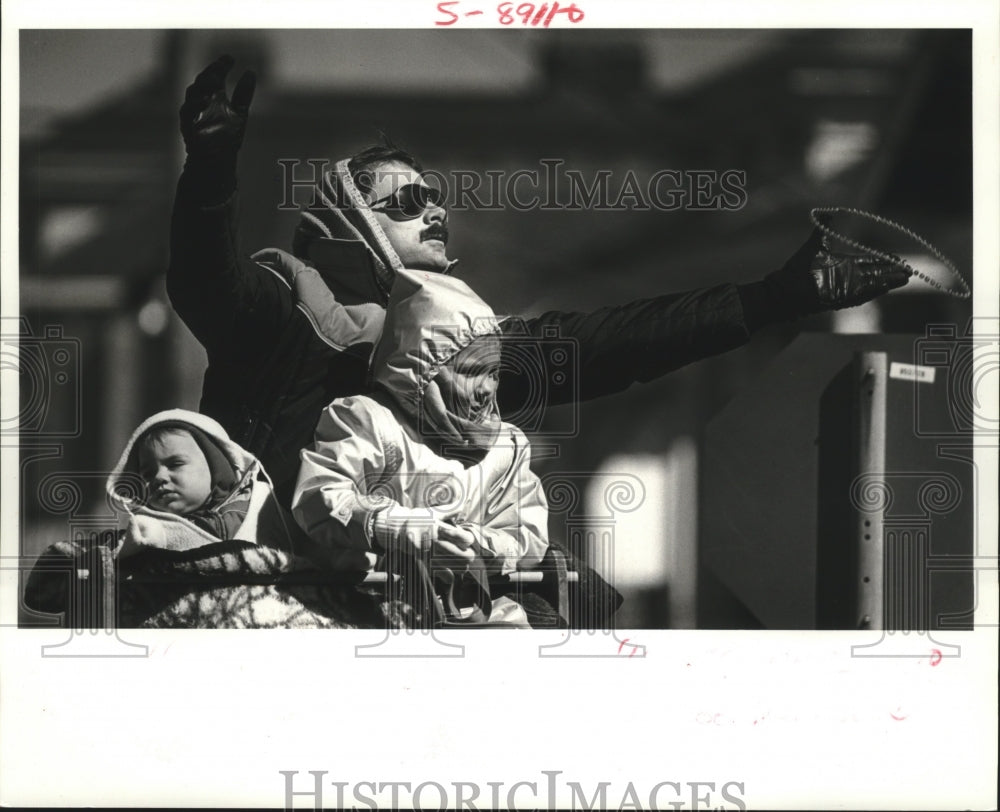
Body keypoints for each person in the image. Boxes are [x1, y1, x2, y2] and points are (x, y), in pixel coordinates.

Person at [168, 55, 912, 507]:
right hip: (275, 601)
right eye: (403, 202)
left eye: (435, 200)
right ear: (341, 222)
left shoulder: (470, 349)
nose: (434, 213)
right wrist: (209, 169)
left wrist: (777, 296)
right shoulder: (278, 315)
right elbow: (204, 282)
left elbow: (612, 343)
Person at [293, 268, 550, 626]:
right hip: (364, 607)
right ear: (425, 369)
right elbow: (320, 496)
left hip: (475, 613)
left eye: (495, 373)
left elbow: (526, 535)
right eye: (473, 371)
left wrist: (473, 544)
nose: (488, 388)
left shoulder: (504, 446)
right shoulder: (366, 419)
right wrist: (406, 530)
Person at [23, 410, 390, 628]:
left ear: (216, 466)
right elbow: (111, 559)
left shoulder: (265, 508)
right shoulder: (150, 528)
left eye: (175, 464)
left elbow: (311, 557)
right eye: (148, 473)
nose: (159, 478)